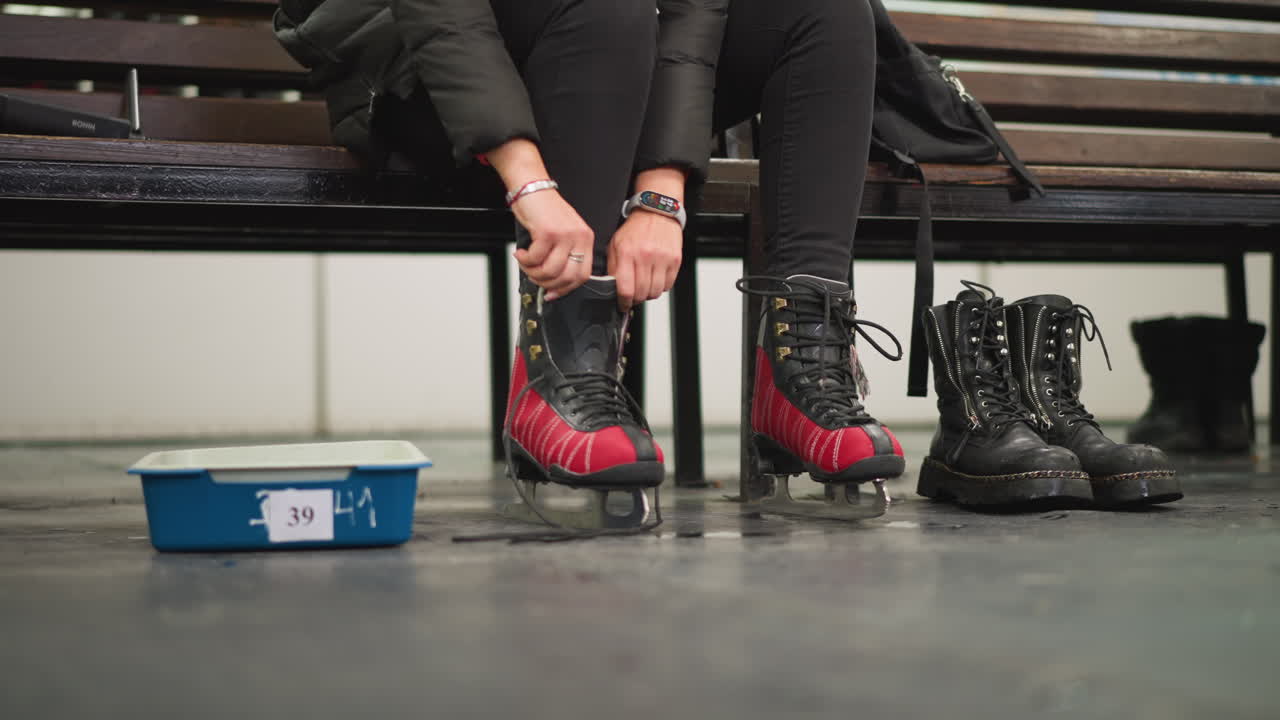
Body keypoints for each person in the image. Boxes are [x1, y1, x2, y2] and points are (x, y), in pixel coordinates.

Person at [275, 0, 904, 527]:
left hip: (611, 54)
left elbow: (691, 10)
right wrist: (527, 179)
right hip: (423, 67)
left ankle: (802, 362)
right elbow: (443, 13)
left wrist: (661, 192)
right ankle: (562, 367)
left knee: (825, 11)